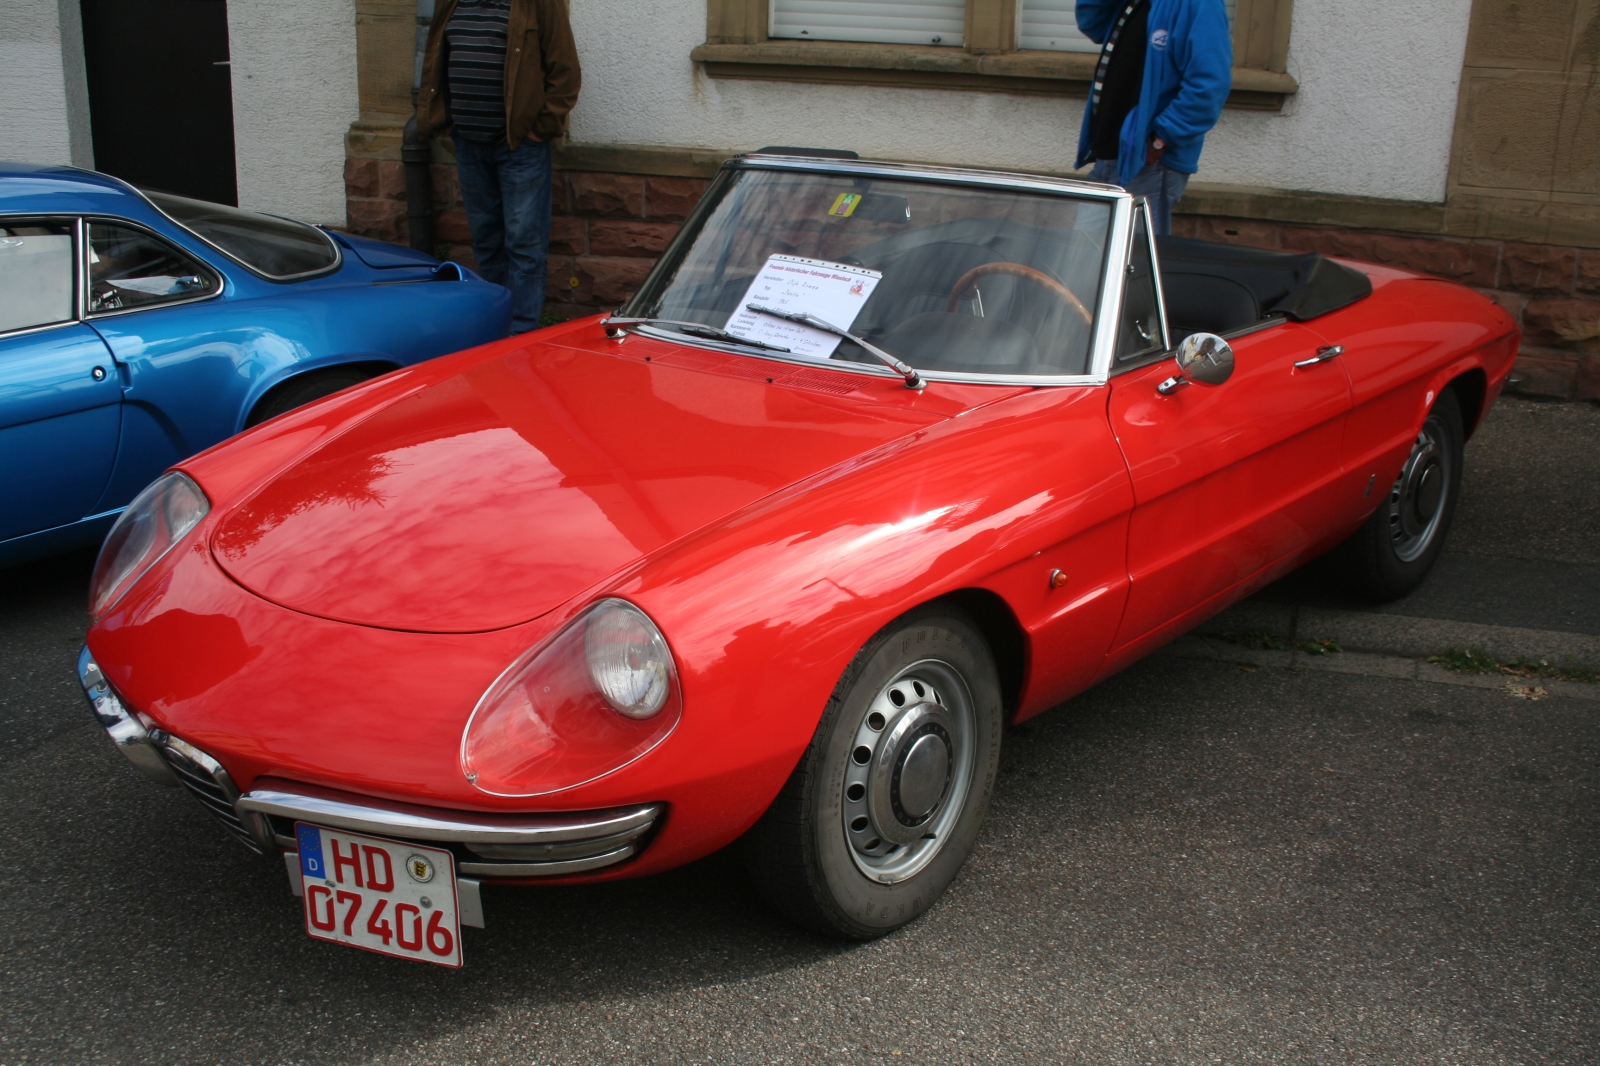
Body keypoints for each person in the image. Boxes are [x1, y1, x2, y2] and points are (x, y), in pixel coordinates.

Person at [417, 0, 581, 333]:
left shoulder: (538, 4)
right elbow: (435, 56)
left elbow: (565, 70)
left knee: (524, 244)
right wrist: (447, 122)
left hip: (519, 145)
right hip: (468, 144)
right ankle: (495, 326)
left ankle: (519, 334)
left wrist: (540, 129)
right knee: (486, 240)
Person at [1074, 0, 1231, 236]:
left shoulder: (1199, 4)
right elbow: (1092, 22)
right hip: (1108, 157)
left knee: (1134, 264)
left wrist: (1160, 138)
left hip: (1149, 163)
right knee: (1085, 257)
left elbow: (1209, 86)